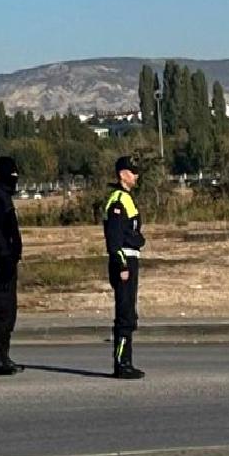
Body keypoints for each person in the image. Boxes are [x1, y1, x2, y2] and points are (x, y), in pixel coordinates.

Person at [104, 156, 146, 379]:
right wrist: (121, 264)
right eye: (132, 172)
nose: (136, 175)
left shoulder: (128, 199)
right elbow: (114, 239)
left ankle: (127, 361)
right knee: (124, 314)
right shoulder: (118, 201)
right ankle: (121, 364)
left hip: (131, 259)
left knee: (129, 313)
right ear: (122, 174)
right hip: (124, 262)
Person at [0, 155, 23, 376]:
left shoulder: (5, 196)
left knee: (9, 311)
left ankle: (4, 356)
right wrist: (7, 257)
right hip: (1, 263)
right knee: (2, 311)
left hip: (7, 261)